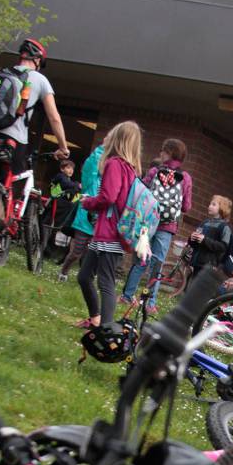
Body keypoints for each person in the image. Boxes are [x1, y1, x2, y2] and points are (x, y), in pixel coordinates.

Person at [0, 38, 69, 250]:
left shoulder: (0, 74)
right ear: (37, 59)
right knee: (5, 188)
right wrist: (63, 146)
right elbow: (54, 117)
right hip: (14, 140)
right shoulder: (39, 79)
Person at [77, 121, 141, 330]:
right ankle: (96, 319)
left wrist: (87, 202)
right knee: (85, 276)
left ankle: (107, 331)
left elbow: (108, 197)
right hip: (108, 233)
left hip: (110, 233)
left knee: (106, 282)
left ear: (117, 139)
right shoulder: (131, 169)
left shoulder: (115, 164)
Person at [120, 137, 193, 314]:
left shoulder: (154, 171)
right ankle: (150, 303)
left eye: (162, 150)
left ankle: (127, 296)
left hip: (148, 222)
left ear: (169, 153)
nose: (160, 153)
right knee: (157, 264)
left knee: (140, 260)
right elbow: (186, 206)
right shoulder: (185, 178)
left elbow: (141, 192)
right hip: (167, 226)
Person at [58, 145, 103, 282]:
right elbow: (91, 167)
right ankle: (64, 271)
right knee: (76, 252)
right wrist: (103, 148)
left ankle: (87, 278)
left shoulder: (109, 183)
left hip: (100, 224)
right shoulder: (91, 181)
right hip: (85, 221)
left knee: (95, 254)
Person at [190, 195, 233, 276]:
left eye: (213, 204)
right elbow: (195, 243)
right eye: (210, 204)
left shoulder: (224, 227)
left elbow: (223, 247)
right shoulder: (204, 222)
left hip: (209, 266)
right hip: (196, 262)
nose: (209, 206)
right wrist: (192, 238)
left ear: (221, 208)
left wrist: (204, 240)